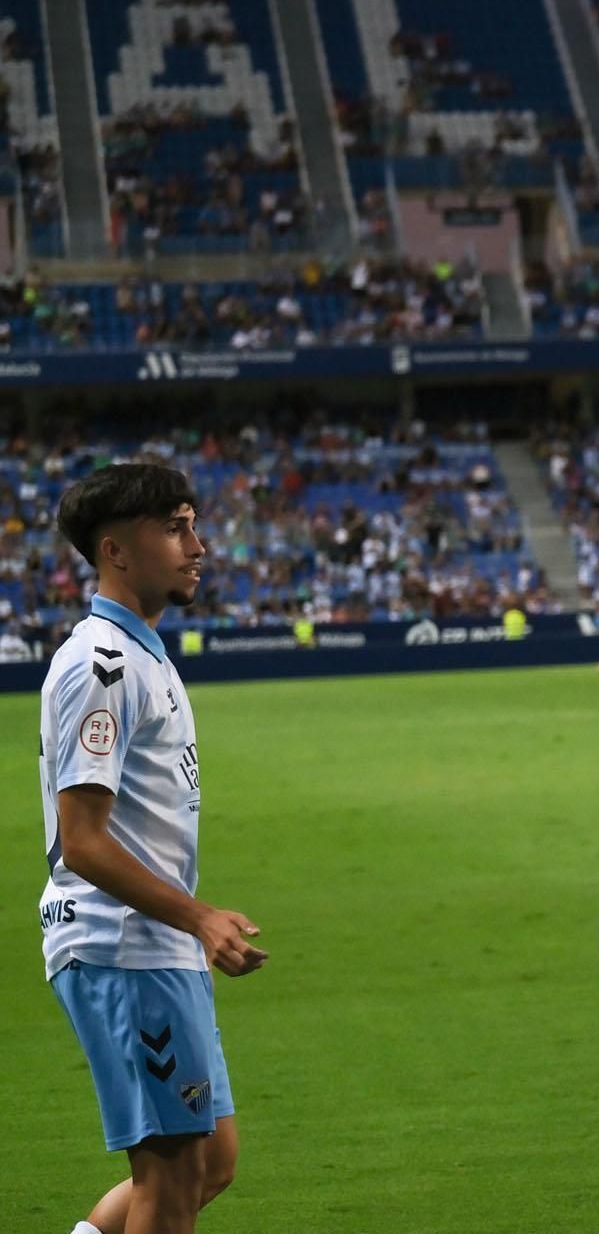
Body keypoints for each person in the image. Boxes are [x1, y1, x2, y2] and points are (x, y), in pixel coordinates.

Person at [40, 463, 269, 1234]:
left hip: (155, 943)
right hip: (122, 942)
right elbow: (82, 841)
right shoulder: (99, 663)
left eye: (193, 523)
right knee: (170, 1174)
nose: (197, 544)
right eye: (174, 527)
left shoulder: (145, 656)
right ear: (116, 550)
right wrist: (200, 915)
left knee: (211, 1160)